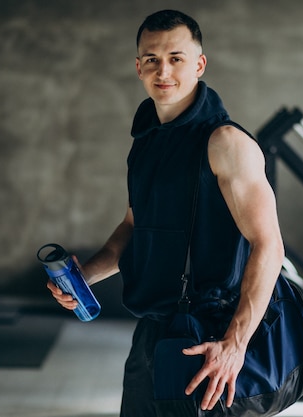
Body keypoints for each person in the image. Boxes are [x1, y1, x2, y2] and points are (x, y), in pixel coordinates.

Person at [47, 9, 285, 416]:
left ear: (199, 64)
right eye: (153, 60)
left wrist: (235, 344)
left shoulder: (225, 142)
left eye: (176, 58)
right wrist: (84, 276)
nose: (164, 71)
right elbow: (132, 227)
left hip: (208, 337)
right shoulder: (146, 140)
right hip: (153, 333)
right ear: (138, 67)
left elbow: (269, 245)